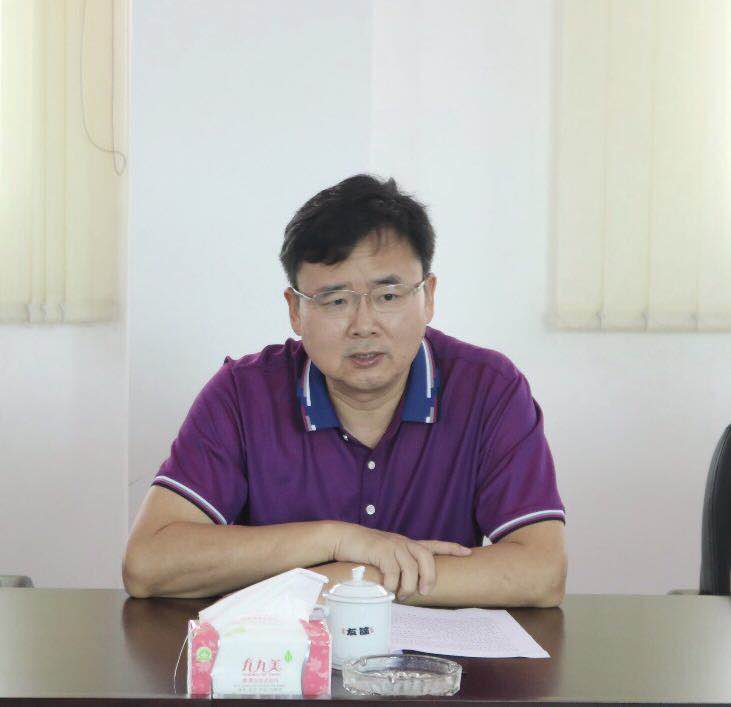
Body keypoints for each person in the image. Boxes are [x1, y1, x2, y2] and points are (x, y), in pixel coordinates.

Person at [123, 174, 567, 606]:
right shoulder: (243, 395)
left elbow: (542, 572)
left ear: (428, 296)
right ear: (295, 310)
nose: (363, 325)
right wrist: (335, 540)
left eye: (388, 296)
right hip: (286, 655)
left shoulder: (488, 389)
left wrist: (355, 581)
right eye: (335, 301)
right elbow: (148, 564)